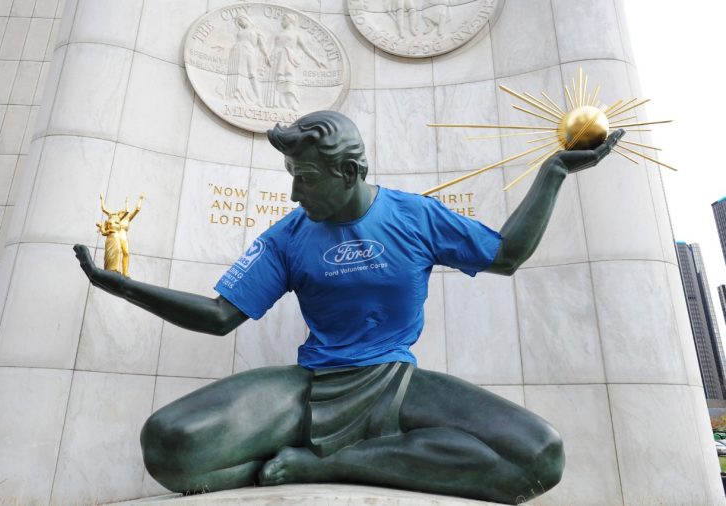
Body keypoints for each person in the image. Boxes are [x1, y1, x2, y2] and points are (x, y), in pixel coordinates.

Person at [74, 110, 622, 504]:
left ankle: (327, 463)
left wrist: (554, 173)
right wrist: (123, 286)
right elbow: (221, 317)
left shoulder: (415, 217)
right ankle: (339, 458)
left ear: (351, 172)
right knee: (169, 446)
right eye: (293, 178)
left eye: (306, 179)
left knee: (540, 456)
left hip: (396, 384)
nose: (294, 195)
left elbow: (505, 255)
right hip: (311, 385)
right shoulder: (289, 235)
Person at [95, 193, 144, 277]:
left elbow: (137, 209)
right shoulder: (116, 218)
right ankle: (114, 269)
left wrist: (140, 199)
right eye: (121, 212)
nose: (122, 212)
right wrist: (102, 200)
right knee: (117, 251)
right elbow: (104, 209)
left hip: (123, 236)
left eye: (123, 212)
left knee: (126, 253)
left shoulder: (128, 218)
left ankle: (125, 272)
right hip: (116, 235)